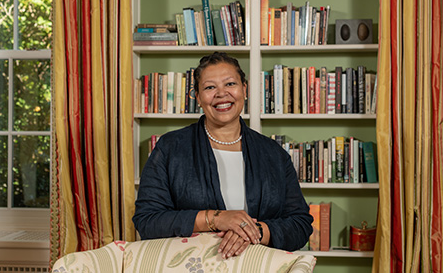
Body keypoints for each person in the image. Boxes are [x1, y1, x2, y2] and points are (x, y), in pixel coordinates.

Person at [133, 52, 312, 259]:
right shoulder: (170, 148)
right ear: (198, 97)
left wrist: (254, 232)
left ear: (244, 89)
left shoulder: (274, 154)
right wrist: (217, 218)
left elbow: (300, 224)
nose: (221, 93)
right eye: (210, 87)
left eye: (230, 84)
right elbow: (147, 221)